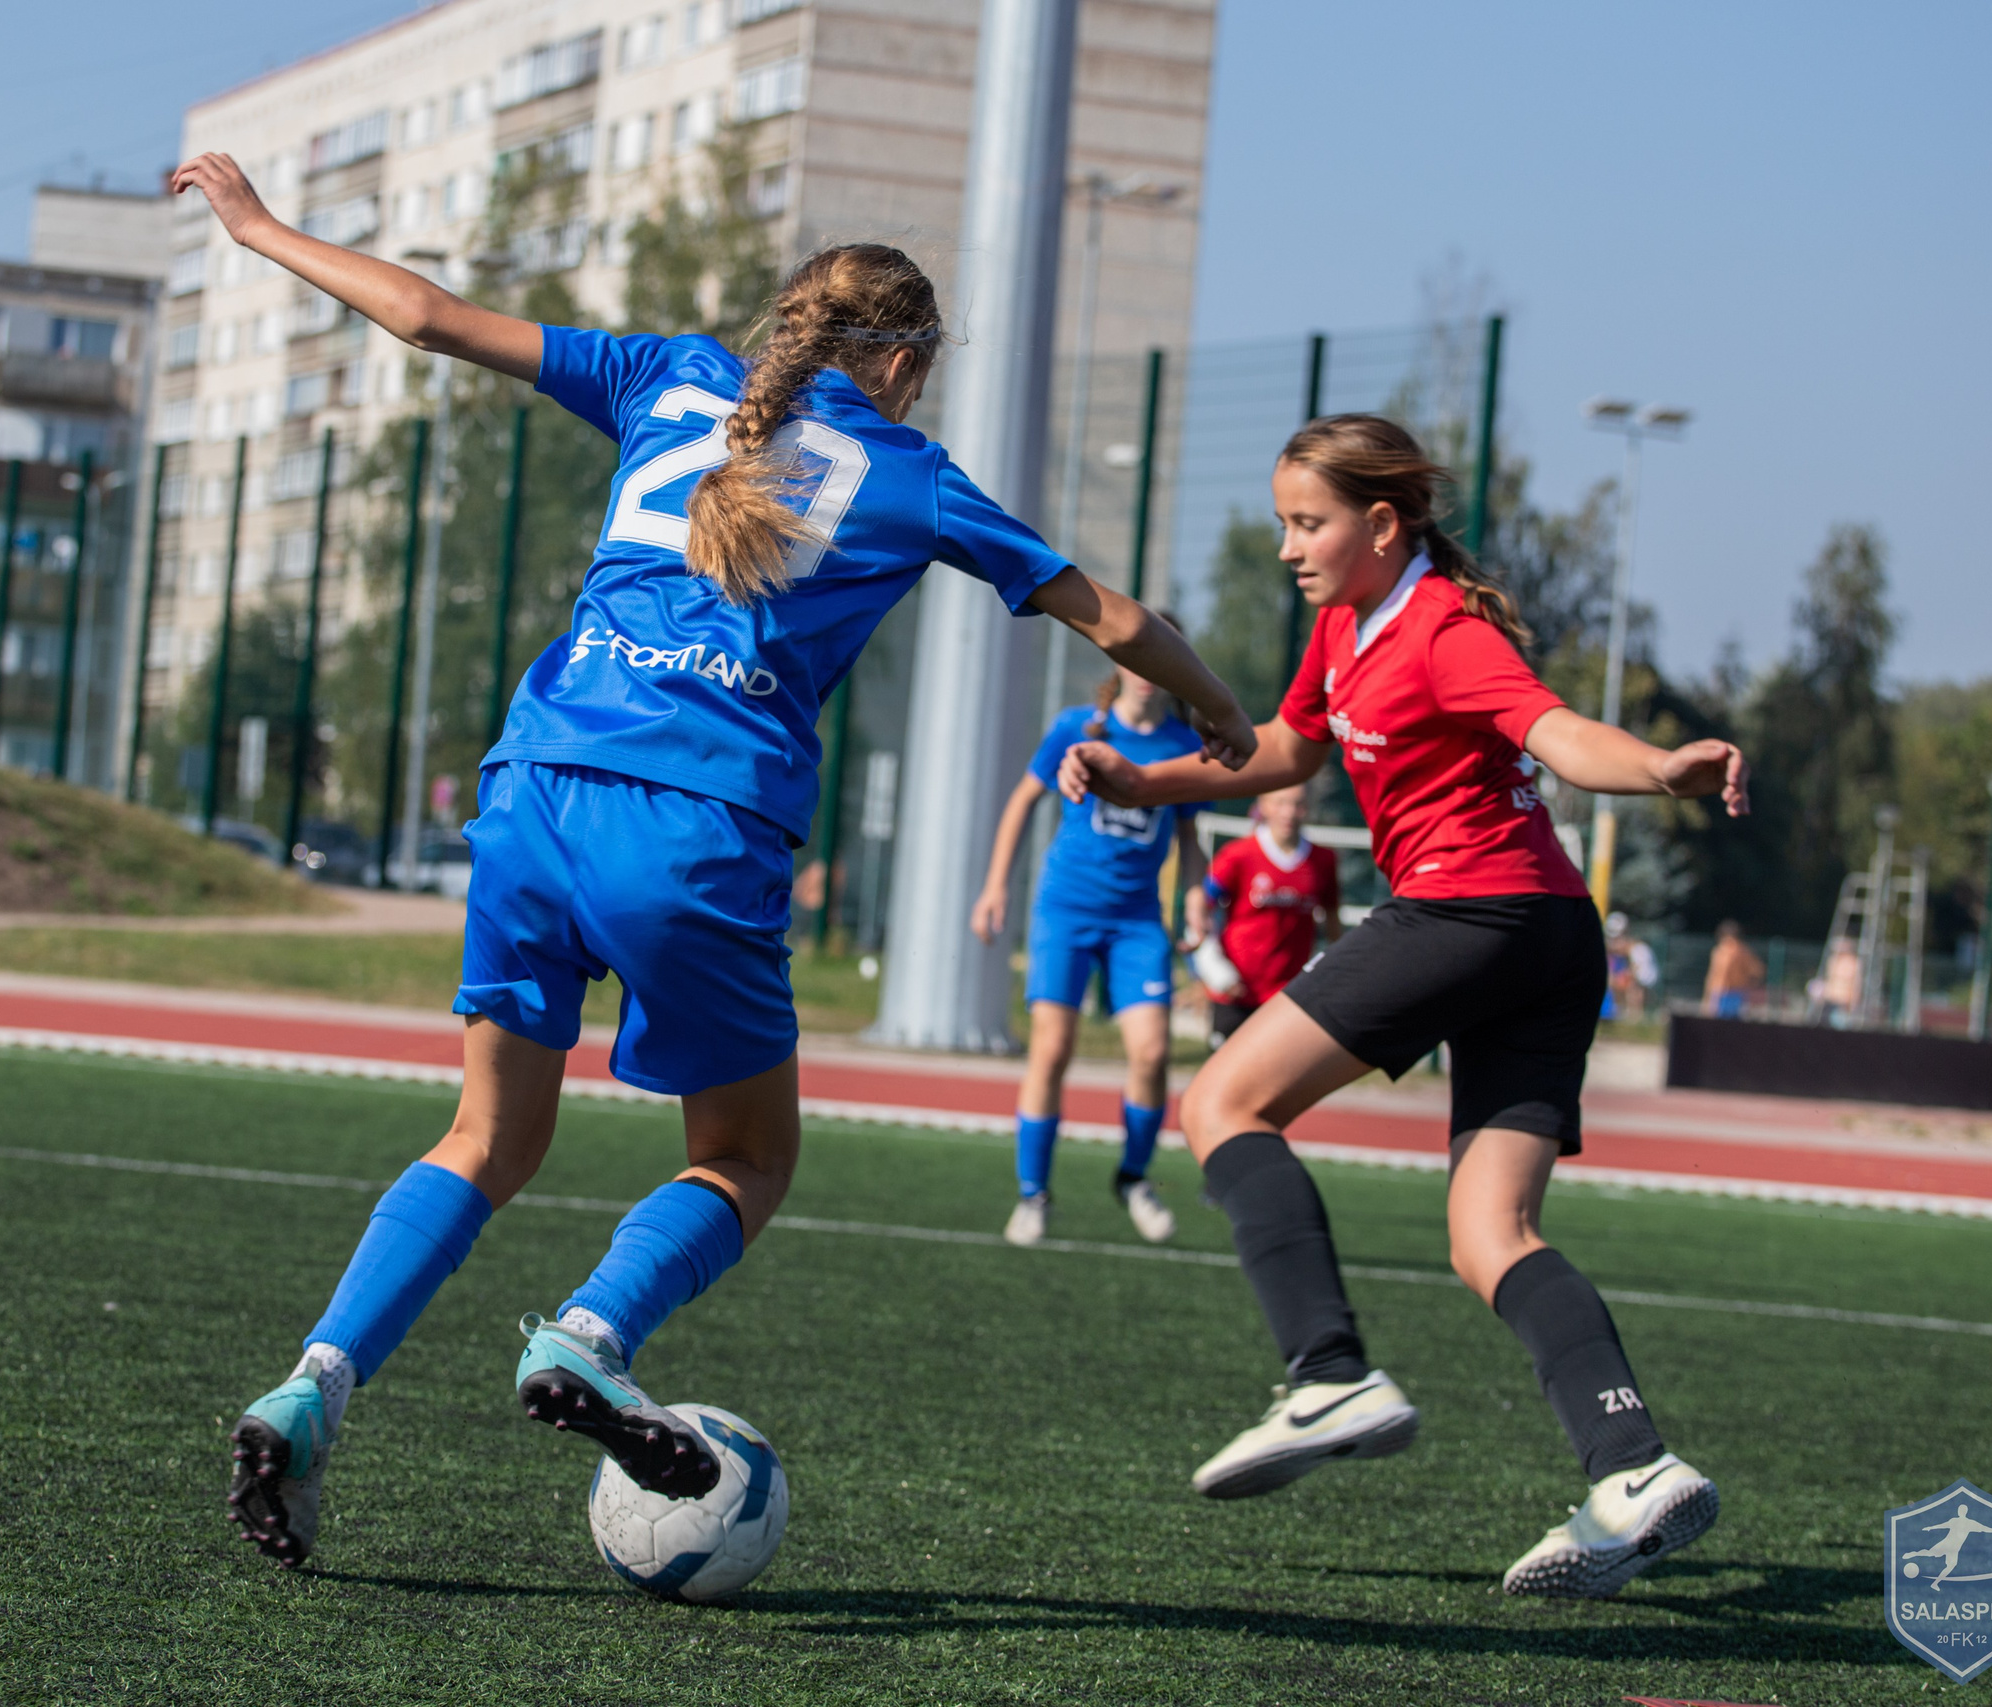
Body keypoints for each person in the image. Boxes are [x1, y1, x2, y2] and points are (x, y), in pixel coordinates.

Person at [170, 152, 1260, 1568]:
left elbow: (428, 315)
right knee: (747, 1152)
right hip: (693, 826)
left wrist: (259, 230)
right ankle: (590, 1331)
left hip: (532, 795)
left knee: (486, 1137)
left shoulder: (664, 374)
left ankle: (309, 1381)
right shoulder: (917, 477)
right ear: (908, 360)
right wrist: (1225, 709)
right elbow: (1114, 617)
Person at [1057, 413, 1750, 1599]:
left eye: (1308, 522)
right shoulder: (1345, 625)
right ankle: (1632, 1465)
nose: (1288, 546)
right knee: (1492, 1239)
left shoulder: (1441, 629)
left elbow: (1556, 732)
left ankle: (1326, 1370)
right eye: (1283, 522)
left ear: (1383, 525)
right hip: (1544, 935)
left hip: (1473, 915)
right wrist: (1147, 780)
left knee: (1223, 1099)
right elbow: (1285, 751)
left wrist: (1657, 768)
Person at [971, 629, 1204, 1249]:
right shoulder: (1079, 728)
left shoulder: (1184, 746)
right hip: (1065, 912)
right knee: (1051, 1050)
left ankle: (1133, 1178)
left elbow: (1189, 838)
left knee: (1152, 1052)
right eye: (1138, 656)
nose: (1148, 669)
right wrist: (996, 886)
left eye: (1163, 658)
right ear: (1120, 663)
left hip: (1137, 921)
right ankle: (1032, 1195)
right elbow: (1024, 799)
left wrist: (1200, 901)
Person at [1185, 784, 1341, 1047]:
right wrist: (1214, 968)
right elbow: (1202, 905)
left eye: (1297, 804)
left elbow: (1333, 919)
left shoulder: (1323, 860)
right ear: (1264, 805)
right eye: (1280, 803)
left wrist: (1333, 970)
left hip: (1287, 996)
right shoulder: (1238, 855)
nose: (1289, 813)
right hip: (1235, 993)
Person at [1702, 920, 1762, 1019]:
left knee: (1718, 1025)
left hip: (1722, 992)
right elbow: (1757, 971)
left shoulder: (1720, 951)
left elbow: (1714, 976)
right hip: (1734, 992)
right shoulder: (1743, 951)